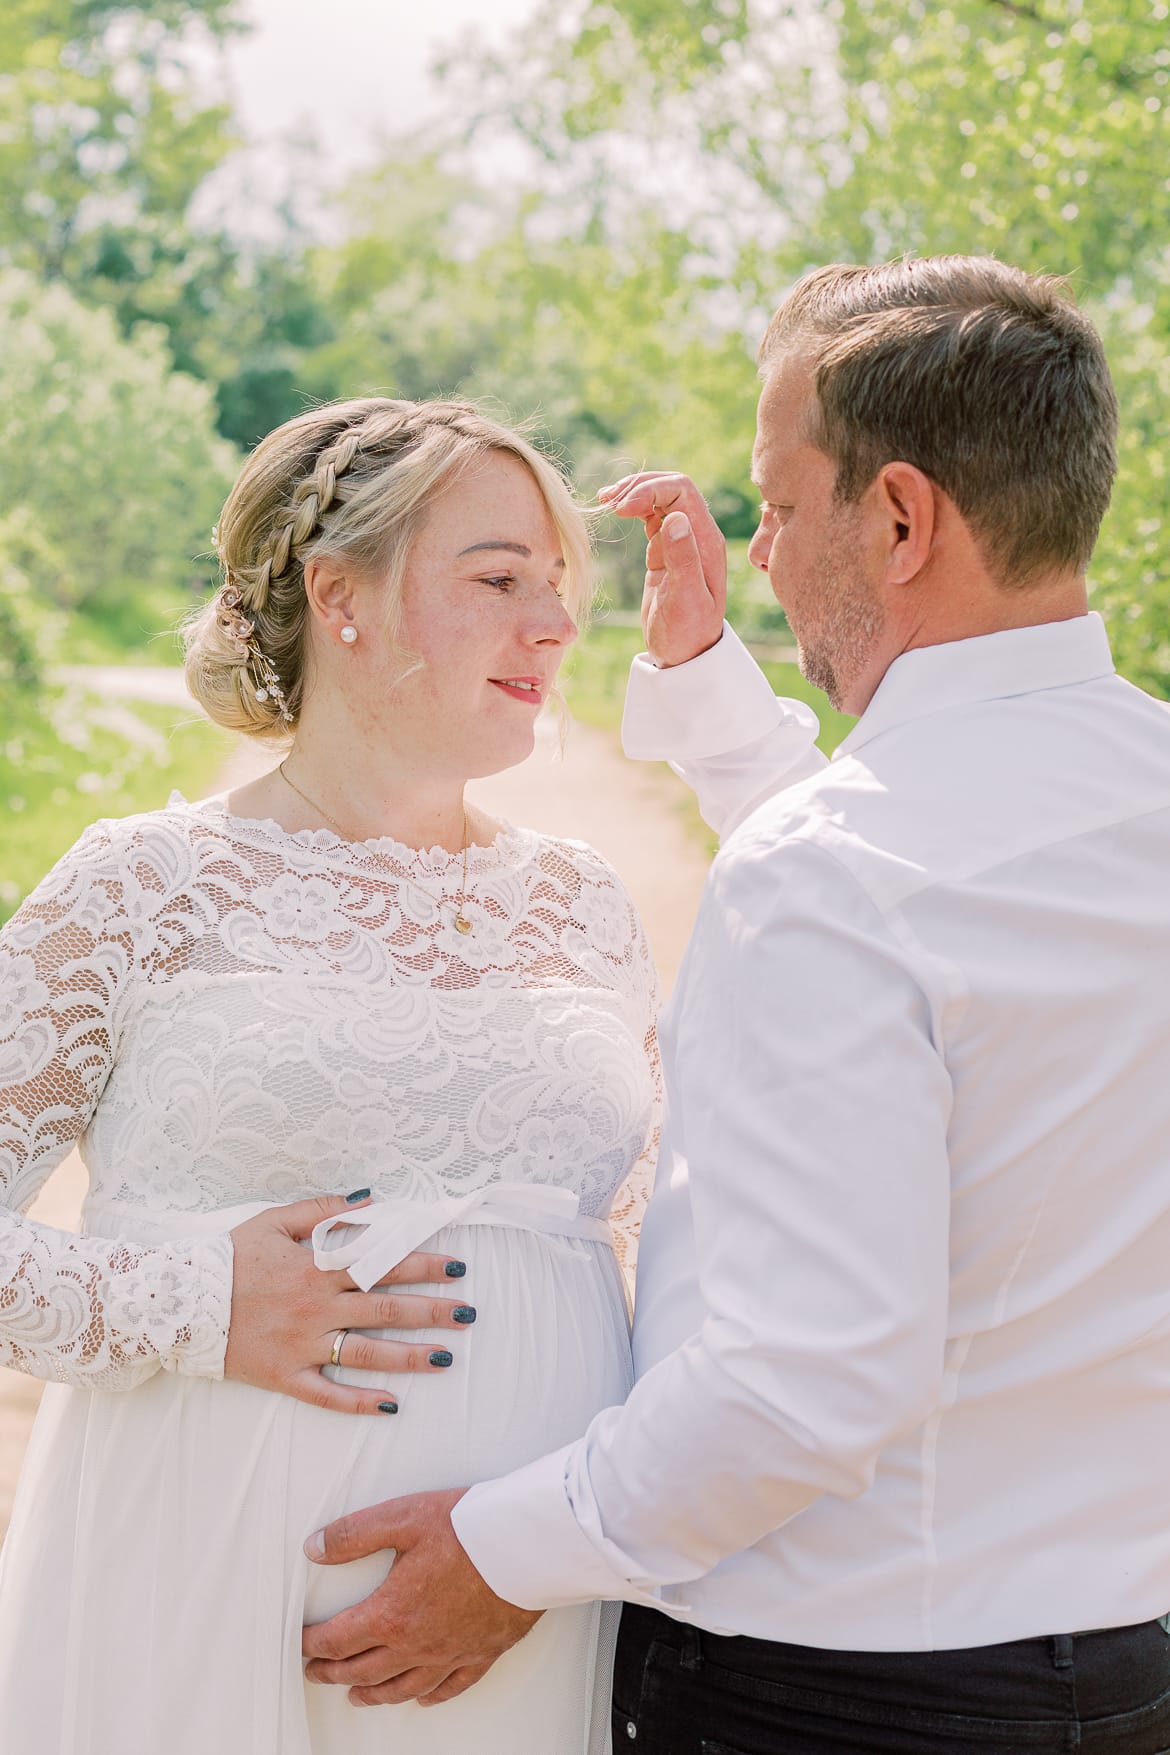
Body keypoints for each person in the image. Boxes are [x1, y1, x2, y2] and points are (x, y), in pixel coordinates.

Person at [299, 258, 1170, 1753]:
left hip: (834, 1692)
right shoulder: (1116, 793)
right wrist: (705, 686)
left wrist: (506, 1553)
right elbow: (933, 904)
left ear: (897, 519)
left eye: (777, 503)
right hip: (1123, 1661)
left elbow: (805, 1384)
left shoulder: (836, 877)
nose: (762, 551)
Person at [0, 396, 802, 1754]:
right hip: (190, 1573)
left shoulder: (582, 901)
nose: (552, 626)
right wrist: (199, 1303)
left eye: (558, 589)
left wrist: (545, 1552)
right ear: (338, 595)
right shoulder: (142, 886)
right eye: (498, 580)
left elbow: (654, 1269)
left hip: (518, 1621)